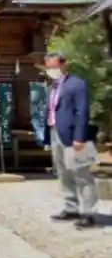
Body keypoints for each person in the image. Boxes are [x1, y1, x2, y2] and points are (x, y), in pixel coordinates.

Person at [43, 51, 98, 229]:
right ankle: (71, 207)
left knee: (81, 174)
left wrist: (79, 137)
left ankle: (89, 212)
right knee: (63, 173)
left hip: (73, 135)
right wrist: (46, 137)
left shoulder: (77, 84)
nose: (51, 70)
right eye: (48, 67)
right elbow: (50, 112)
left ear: (63, 64)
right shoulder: (52, 87)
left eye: (53, 66)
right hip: (55, 133)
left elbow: (82, 111)